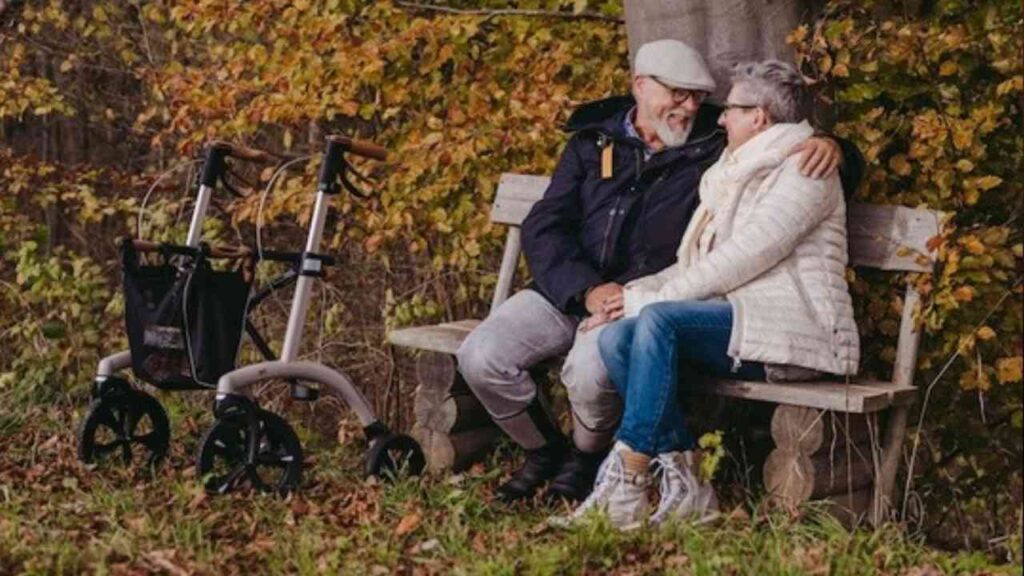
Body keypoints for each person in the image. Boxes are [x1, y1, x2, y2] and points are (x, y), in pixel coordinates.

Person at [456, 39, 864, 504]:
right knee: (481, 355)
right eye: (678, 93)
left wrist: (834, 147)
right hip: (571, 290)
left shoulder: (714, 141)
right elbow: (545, 223)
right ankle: (545, 451)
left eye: (698, 97)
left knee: (593, 368)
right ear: (641, 87)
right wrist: (583, 290)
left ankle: (587, 460)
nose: (691, 107)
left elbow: (786, 138)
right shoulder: (593, 141)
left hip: (648, 295)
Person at [559, 59, 861, 529]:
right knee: (618, 337)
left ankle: (627, 482)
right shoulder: (732, 171)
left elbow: (743, 258)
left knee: (657, 321)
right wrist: (628, 298)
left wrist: (645, 305)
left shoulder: (805, 169)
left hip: (799, 333)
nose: (720, 118)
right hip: (742, 321)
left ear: (759, 117)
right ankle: (690, 491)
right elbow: (693, 263)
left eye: (732, 110)